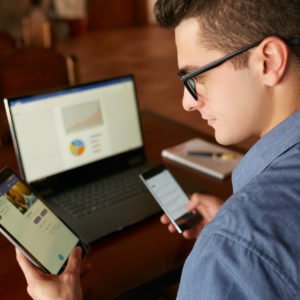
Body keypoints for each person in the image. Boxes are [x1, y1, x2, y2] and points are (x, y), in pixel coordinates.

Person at [16, 0, 300, 299]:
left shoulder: (228, 255)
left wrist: (232, 238)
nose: (187, 103)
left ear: (267, 61)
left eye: (196, 78)